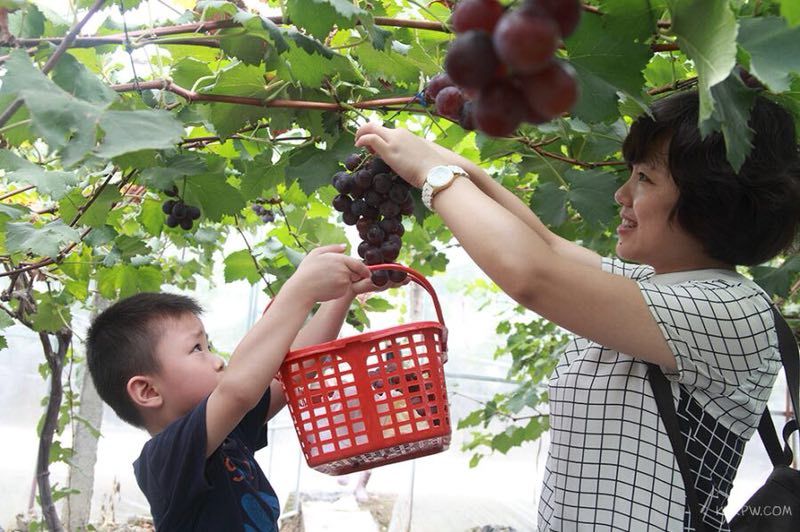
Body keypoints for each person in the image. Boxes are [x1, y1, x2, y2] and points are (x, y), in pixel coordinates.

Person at [354, 90, 800, 530]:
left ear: (712, 201)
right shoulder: (654, 286)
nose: (621, 194)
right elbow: (546, 244)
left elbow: (534, 274)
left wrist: (432, 174)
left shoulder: (731, 310)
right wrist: (448, 162)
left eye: (645, 178)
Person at [86, 244, 376, 531]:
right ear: (148, 391)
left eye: (208, 345)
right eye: (197, 348)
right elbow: (236, 392)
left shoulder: (228, 435)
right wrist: (300, 291)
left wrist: (342, 296)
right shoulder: (165, 460)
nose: (217, 360)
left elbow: (292, 375)